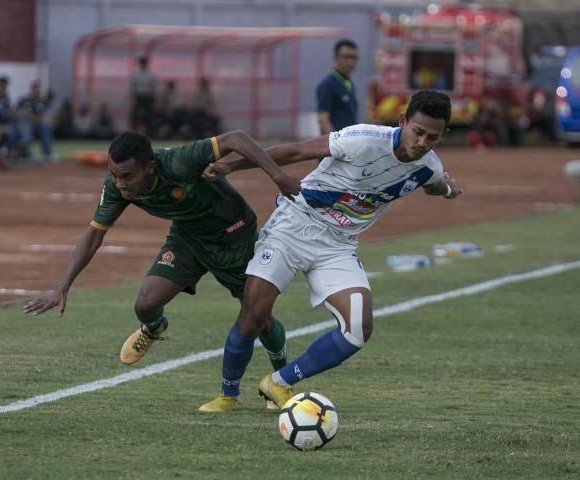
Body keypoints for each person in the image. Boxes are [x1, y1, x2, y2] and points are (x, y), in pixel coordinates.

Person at [198, 90, 463, 412]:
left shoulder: (429, 167)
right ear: (403, 121)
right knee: (253, 316)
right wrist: (231, 166)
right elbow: (295, 151)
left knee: (358, 330)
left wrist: (449, 190)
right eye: (417, 132)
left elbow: (435, 184)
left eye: (432, 137)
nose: (422, 142)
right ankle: (228, 395)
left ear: (443, 135)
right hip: (293, 225)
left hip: (338, 246)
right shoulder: (361, 139)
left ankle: (278, 383)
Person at [22, 130, 302, 410]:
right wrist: (63, 285)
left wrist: (277, 176)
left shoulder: (179, 161)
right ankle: (155, 328)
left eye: (127, 176)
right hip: (188, 238)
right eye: (114, 174)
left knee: (258, 319)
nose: (119, 183)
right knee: (146, 304)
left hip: (233, 237)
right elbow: (95, 233)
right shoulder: (118, 185)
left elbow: (235, 139)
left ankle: (281, 382)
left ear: (150, 167)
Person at [316, 38, 359, 135]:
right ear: (335, 57)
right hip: (337, 147)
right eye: (346, 57)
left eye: (354, 57)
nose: (351, 62)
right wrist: (334, 147)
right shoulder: (328, 84)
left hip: (348, 145)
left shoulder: (347, 83)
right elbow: (323, 119)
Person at [16, 80, 55, 161]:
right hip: (24, 123)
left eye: (39, 88)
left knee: (46, 127)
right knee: (25, 127)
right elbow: (20, 114)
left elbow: (40, 116)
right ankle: (25, 153)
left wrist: (35, 118)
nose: (37, 90)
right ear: (31, 88)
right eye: (36, 88)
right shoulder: (24, 99)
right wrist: (30, 118)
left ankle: (47, 154)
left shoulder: (40, 101)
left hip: (36, 124)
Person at [130, 55, 159, 134]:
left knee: (150, 116)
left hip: (148, 97)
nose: (143, 64)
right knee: (135, 116)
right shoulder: (136, 74)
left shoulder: (151, 74)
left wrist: (154, 98)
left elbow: (154, 87)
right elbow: (133, 87)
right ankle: (134, 132)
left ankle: (150, 132)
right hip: (139, 97)